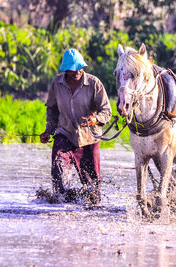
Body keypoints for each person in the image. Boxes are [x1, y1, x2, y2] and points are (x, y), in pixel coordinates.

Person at [40, 48, 112, 204]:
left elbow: (106, 111)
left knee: (92, 189)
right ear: (66, 70)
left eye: (79, 68)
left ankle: (86, 209)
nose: (76, 72)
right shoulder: (57, 83)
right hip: (64, 133)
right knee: (58, 168)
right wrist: (48, 130)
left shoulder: (94, 83)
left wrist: (95, 119)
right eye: (72, 70)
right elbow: (52, 109)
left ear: (83, 67)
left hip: (88, 139)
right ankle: (63, 205)